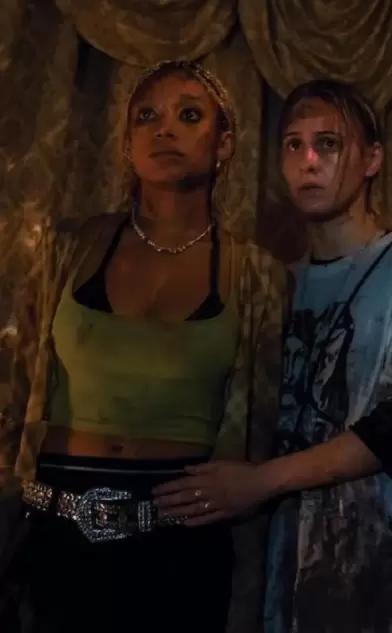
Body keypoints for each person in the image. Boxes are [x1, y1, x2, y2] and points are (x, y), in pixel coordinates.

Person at [152, 79, 392, 633]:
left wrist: (261, 481)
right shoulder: (277, 283)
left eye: (329, 144)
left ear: (372, 159)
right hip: (285, 560)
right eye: (294, 144)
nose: (309, 161)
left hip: (379, 560)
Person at [0, 60, 287, 633]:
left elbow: (263, 422)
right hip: (56, 537)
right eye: (147, 117)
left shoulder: (257, 274)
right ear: (127, 145)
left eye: (189, 115)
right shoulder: (67, 249)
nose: (165, 129)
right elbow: (14, 383)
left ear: (224, 143)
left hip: (180, 547)